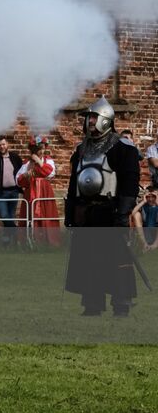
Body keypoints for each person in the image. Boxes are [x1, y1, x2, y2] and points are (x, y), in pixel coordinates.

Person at [65, 97, 141, 316]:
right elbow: (74, 183)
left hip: (111, 210)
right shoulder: (81, 149)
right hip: (86, 213)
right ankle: (92, 304)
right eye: (88, 118)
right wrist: (70, 213)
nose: (89, 122)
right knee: (88, 259)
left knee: (116, 259)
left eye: (93, 117)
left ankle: (121, 303)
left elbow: (129, 183)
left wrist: (123, 212)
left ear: (105, 120)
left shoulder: (122, 147)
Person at [18, 138, 60, 247]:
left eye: (43, 149)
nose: (41, 151)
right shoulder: (27, 163)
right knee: (30, 214)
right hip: (31, 191)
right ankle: (30, 241)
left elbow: (50, 173)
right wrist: (26, 175)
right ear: (33, 150)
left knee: (46, 214)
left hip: (44, 191)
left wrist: (40, 162)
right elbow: (18, 181)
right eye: (38, 149)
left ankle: (48, 242)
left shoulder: (48, 161)